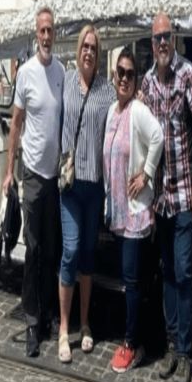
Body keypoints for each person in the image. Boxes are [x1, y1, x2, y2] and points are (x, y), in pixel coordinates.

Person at [141, 12, 192, 382]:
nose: (163, 44)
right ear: (151, 45)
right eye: (157, 39)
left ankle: (185, 353)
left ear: (175, 38)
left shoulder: (188, 75)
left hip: (183, 195)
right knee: (167, 274)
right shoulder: (149, 82)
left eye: (167, 36)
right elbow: (143, 131)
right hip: (161, 199)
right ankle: (170, 345)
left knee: (184, 274)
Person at [2, 6, 65, 358]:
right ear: (35, 33)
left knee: (52, 252)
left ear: (54, 34)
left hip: (56, 178)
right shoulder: (25, 73)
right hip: (33, 177)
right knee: (34, 248)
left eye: (50, 30)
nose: (45, 36)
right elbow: (16, 124)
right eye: (41, 30)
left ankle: (49, 316)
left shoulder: (60, 72)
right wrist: (10, 171)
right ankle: (31, 321)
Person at [57, 25, 115, 364]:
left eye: (94, 47)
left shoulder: (106, 89)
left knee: (88, 255)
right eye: (84, 46)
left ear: (99, 52)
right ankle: (64, 329)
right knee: (71, 249)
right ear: (78, 51)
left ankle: (85, 324)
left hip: (94, 185)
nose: (89, 52)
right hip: (69, 183)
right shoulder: (65, 80)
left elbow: (124, 109)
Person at [103, 47, 163, 373]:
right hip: (118, 213)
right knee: (129, 279)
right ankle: (131, 334)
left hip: (136, 213)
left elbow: (158, 136)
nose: (124, 78)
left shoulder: (137, 109)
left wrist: (146, 174)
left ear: (135, 78)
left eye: (130, 74)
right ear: (114, 76)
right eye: (120, 73)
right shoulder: (113, 109)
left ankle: (132, 343)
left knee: (132, 281)